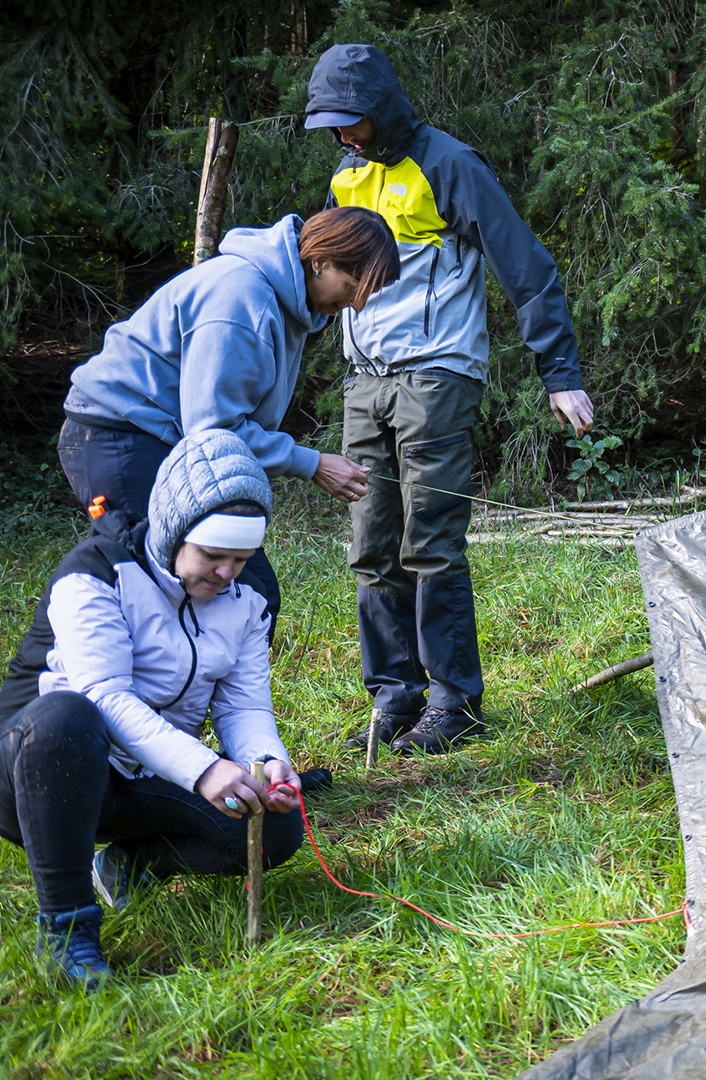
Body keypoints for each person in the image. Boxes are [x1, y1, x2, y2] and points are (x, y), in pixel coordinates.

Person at [304, 43, 596, 755]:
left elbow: (525, 267)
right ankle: (393, 696)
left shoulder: (449, 164)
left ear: (381, 109)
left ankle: (454, 703)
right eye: (333, 126)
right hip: (362, 380)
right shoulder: (346, 176)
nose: (345, 136)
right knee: (371, 545)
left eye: (354, 122)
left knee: (430, 543)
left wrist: (561, 373)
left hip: (436, 377)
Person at [0, 430, 310, 990]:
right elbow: (105, 696)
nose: (226, 574)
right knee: (65, 717)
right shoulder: (95, 574)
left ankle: (129, 866)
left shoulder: (246, 600)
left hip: (143, 777)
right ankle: (68, 932)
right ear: (173, 534)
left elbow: (243, 705)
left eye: (241, 559)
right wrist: (207, 769)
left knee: (275, 832)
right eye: (213, 556)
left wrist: (267, 761)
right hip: (37, 774)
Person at [59, 207, 395, 621]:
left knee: (241, 596)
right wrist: (312, 463)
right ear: (321, 262)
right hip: (117, 437)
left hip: (159, 439)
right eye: (353, 285)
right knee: (202, 594)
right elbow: (212, 430)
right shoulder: (242, 298)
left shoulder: (282, 302)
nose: (357, 303)